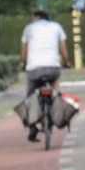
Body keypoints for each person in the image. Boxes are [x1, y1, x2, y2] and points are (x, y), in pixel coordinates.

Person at [20, 7, 70, 139]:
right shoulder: (56, 27)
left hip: (34, 70)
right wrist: (67, 62)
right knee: (56, 89)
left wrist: (23, 64)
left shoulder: (29, 28)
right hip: (52, 68)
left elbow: (24, 51)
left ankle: (32, 127)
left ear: (36, 18)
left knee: (30, 96)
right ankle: (57, 113)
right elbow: (63, 48)